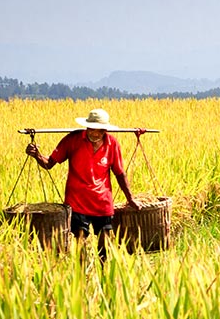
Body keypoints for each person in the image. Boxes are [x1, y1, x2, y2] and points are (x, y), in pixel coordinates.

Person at [26, 108, 139, 259]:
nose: (94, 133)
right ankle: (81, 278)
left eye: (98, 130)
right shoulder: (73, 140)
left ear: (104, 130)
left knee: (104, 245)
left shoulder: (112, 144)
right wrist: (37, 155)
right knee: (79, 242)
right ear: (87, 126)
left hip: (102, 203)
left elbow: (119, 173)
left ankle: (104, 278)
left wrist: (130, 198)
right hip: (77, 202)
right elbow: (49, 163)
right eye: (91, 129)